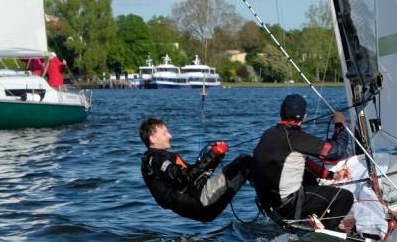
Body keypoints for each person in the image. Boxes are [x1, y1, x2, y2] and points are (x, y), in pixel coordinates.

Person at [252, 94, 354, 231]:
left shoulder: (268, 134)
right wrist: (340, 125)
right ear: (304, 116)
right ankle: (327, 233)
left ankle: (316, 220)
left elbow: (304, 162)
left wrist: (332, 176)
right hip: (289, 206)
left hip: (270, 207)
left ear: (281, 114)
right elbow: (336, 151)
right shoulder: (298, 138)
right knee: (345, 197)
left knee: (308, 176)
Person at [140, 117, 253, 223]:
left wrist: (216, 155)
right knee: (245, 162)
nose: (170, 136)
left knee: (244, 168)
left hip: (201, 208)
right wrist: (213, 154)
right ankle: (269, 201)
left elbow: (195, 174)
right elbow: (186, 177)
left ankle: (268, 202)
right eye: (165, 133)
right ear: (153, 138)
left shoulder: (154, 160)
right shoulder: (156, 160)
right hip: (199, 202)